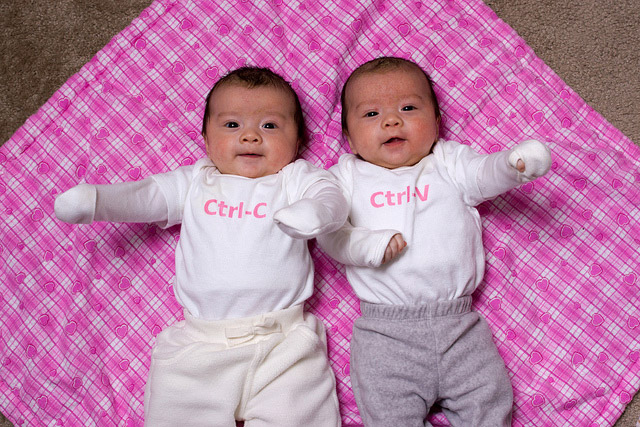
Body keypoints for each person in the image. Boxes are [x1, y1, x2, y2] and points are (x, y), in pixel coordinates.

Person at [55, 67, 346, 426]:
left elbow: (331, 196)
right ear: (206, 140)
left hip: (285, 345)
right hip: (200, 347)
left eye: (270, 125)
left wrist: (314, 211)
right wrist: (97, 201)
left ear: (298, 141)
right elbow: (148, 196)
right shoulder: (195, 181)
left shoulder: (294, 179)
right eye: (232, 125)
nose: (251, 136)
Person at [318, 57, 552, 426]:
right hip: (385, 334)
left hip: (460, 326)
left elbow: (482, 174)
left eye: (408, 108)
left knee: (489, 406)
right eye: (371, 114)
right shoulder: (345, 176)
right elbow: (330, 233)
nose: (391, 121)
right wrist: (367, 246)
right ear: (349, 138)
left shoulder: (448, 161)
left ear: (437, 122)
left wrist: (511, 166)